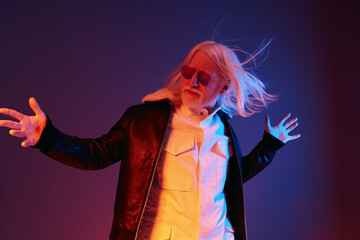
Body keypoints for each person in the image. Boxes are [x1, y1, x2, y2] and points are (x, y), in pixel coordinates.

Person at [0, 41, 300, 240]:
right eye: (188, 72)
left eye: (203, 77)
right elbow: (95, 155)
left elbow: (228, 181)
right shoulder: (146, 119)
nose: (192, 82)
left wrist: (269, 145)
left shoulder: (223, 129)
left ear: (223, 86)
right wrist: (47, 138)